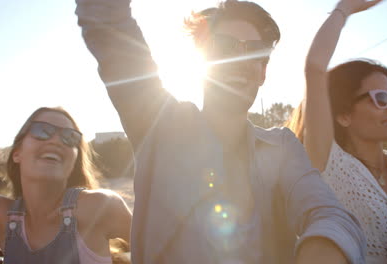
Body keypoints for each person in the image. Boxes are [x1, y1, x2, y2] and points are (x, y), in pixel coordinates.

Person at [75, 0, 366, 263]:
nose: (240, 60)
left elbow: (327, 212)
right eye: (225, 46)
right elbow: (108, 24)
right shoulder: (160, 124)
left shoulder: (281, 147)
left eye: (255, 52)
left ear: (263, 72)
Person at [287, 0, 387, 262]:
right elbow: (315, 68)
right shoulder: (328, 166)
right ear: (344, 115)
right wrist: (344, 10)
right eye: (380, 98)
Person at [0, 106, 132, 264]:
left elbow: (156, 250)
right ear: (17, 153)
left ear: (74, 161)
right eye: (41, 130)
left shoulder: (99, 207)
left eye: (70, 137)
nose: (56, 141)